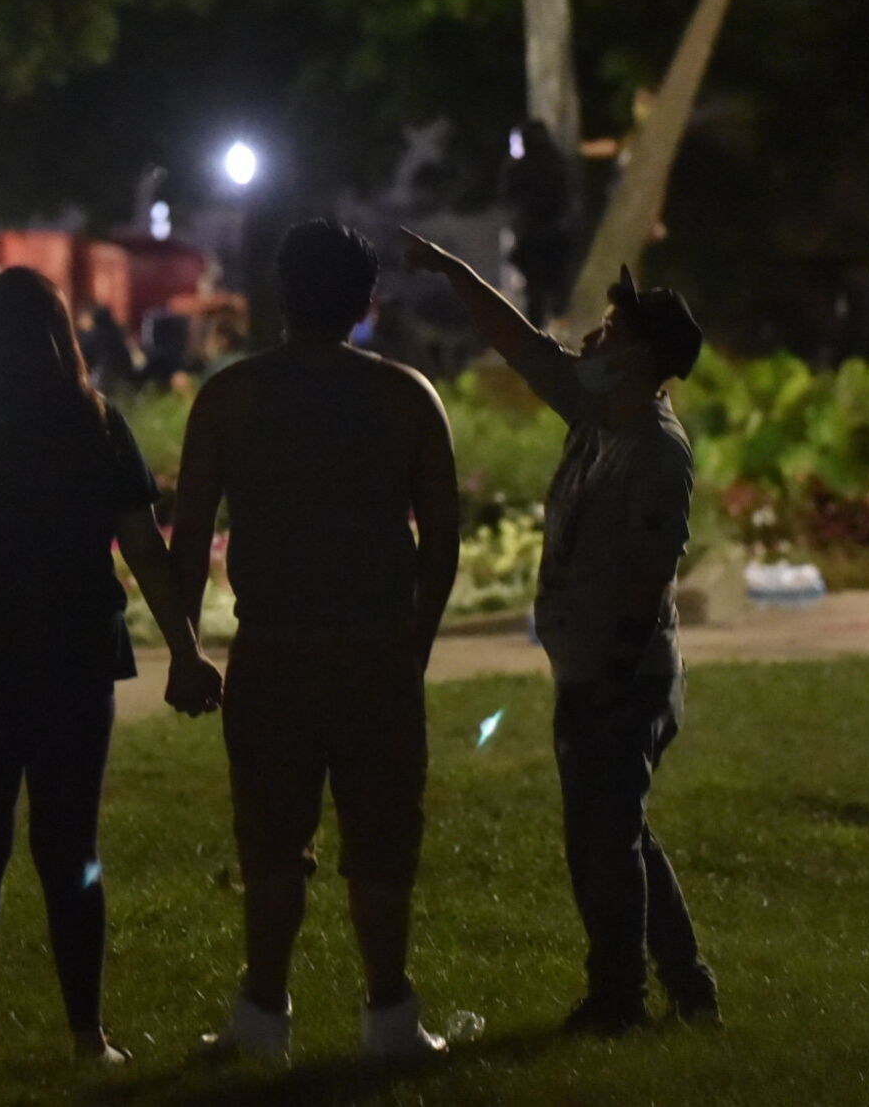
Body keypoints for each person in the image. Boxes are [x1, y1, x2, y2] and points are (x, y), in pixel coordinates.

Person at [0, 267, 222, 1067]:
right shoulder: (96, 424)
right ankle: (87, 1035)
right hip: (74, 654)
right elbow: (143, 546)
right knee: (71, 843)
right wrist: (185, 650)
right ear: (61, 338)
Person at [401, 228, 720, 1035]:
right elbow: (519, 341)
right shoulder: (595, 412)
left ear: (645, 357)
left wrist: (610, 681)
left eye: (610, 333)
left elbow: (649, 578)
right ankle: (686, 989)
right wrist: (451, 270)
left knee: (603, 844)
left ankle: (621, 1000)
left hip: (624, 679)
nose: (590, 339)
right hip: (592, 674)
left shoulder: (653, 449)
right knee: (620, 834)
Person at [171, 221, 469, 1060]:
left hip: (271, 651)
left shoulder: (230, 398)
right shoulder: (407, 397)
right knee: (380, 848)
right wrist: (416, 644)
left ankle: (264, 1014)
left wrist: (186, 648)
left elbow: (190, 538)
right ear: (365, 302)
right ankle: (390, 1018)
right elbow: (441, 541)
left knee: (270, 847)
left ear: (281, 293)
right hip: (373, 648)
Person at [501, 120, 577, 329]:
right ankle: (559, 321)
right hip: (556, 232)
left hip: (533, 233)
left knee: (535, 287)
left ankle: (536, 330)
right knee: (557, 282)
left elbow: (509, 197)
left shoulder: (518, 167)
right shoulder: (557, 162)